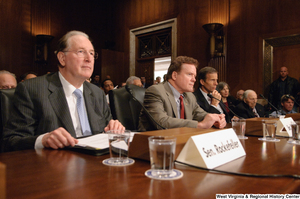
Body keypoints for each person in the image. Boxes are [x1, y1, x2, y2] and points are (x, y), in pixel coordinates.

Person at [3, 30, 124, 152]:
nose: (89, 59)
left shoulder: (97, 93)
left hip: (97, 163)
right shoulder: (32, 89)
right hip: (55, 165)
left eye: (92, 53)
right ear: (62, 58)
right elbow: (11, 140)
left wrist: (113, 128)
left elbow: (106, 130)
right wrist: (42, 140)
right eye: (81, 52)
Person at [138, 56, 226, 131]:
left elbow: (199, 114)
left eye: (194, 76)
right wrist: (199, 125)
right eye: (189, 74)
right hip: (154, 144)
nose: (194, 80)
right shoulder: (155, 91)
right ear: (174, 75)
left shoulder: (189, 96)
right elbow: (161, 122)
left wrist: (216, 119)